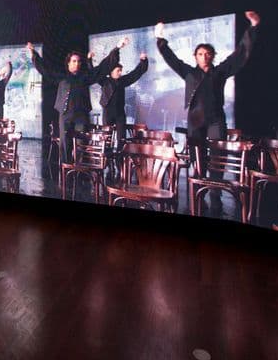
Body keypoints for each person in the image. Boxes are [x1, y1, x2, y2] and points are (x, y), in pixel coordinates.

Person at [155, 11, 261, 210]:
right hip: (195, 120)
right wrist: (160, 39)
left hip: (215, 120)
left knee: (217, 157)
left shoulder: (219, 72)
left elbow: (239, 55)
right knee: (199, 158)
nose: (204, 57)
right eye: (200, 54)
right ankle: (200, 188)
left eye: (207, 53)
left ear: (212, 56)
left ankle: (215, 192)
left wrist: (253, 28)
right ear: (195, 57)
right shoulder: (188, 72)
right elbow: (171, 59)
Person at [28, 37, 127, 164]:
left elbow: (103, 67)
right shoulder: (61, 77)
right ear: (68, 63)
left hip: (81, 115)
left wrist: (117, 48)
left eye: (79, 61)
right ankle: (65, 169)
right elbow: (45, 70)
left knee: (81, 144)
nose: (77, 64)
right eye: (74, 61)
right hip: (65, 115)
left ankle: (79, 170)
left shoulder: (85, 77)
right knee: (65, 144)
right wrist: (34, 54)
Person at [90, 51, 149, 147]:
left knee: (121, 138)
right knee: (107, 137)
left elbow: (136, 73)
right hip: (108, 112)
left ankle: (120, 158)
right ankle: (107, 159)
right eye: (118, 70)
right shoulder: (105, 81)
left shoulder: (123, 81)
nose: (120, 73)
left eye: (121, 70)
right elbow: (94, 73)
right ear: (111, 71)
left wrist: (143, 61)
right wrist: (89, 60)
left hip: (120, 113)